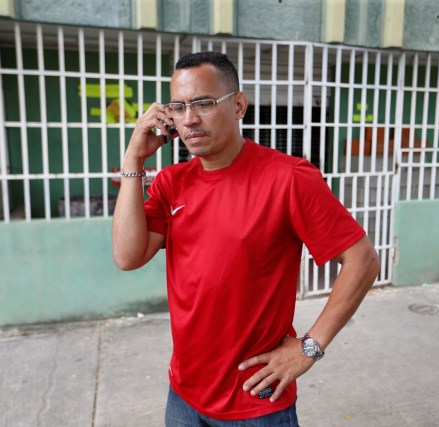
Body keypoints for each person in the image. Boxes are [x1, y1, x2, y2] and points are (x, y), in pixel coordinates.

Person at [112, 51, 380, 426]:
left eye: (203, 103)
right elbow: (128, 256)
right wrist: (133, 162)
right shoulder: (173, 183)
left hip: (256, 403)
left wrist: (309, 347)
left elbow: (362, 260)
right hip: (184, 397)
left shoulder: (289, 178)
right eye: (179, 106)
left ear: (238, 105)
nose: (189, 119)